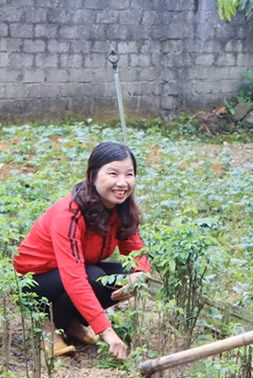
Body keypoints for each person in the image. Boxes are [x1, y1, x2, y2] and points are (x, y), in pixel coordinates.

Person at [14, 141, 151, 360]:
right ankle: (50, 330)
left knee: (122, 277)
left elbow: (136, 252)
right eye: (113, 174)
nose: (122, 183)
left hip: (75, 272)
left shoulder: (122, 210)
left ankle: (72, 323)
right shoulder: (68, 215)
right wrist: (108, 332)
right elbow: (75, 279)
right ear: (93, 175)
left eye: (129, 174)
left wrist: (140, 275)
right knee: (94, 277)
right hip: (34, 281)